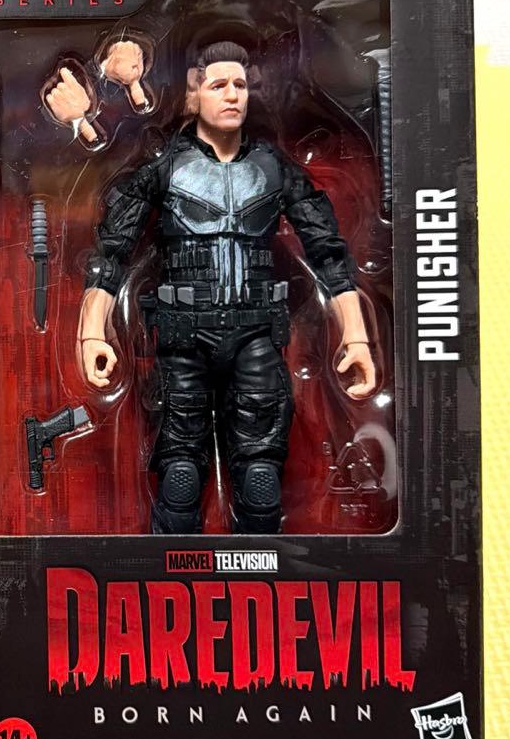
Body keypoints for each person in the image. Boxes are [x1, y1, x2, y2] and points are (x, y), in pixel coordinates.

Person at [47, 39, 376, 534]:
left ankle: (265, 573)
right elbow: (113, 251)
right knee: (179, 476)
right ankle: (166, 572)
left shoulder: (274, 169)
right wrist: (92, 331)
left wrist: (356, 337)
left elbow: (328, 253)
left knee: (261, 479)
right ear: (193, 93)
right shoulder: (165, 168)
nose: (232, 94)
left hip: (256, 338)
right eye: (218, 84)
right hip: (183, 340)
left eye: (240, 85)